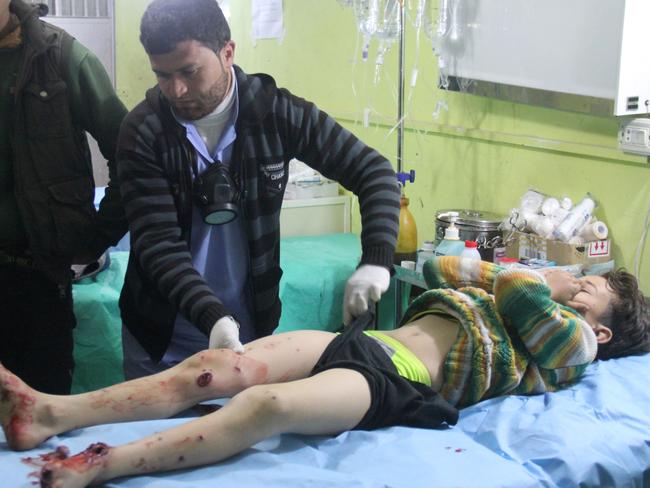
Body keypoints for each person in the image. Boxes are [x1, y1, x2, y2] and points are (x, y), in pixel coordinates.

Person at [2, 257, 649, 487]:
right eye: (579, 280)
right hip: (368, 341)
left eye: (588, 290)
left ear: (602, 330)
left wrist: (543, 278)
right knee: (218, 367)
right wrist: (522, 276)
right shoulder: (527, 297)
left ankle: (101, 465)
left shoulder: (573, 346)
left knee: (267, 408)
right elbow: (442, 269)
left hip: (399, 380)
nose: (575, 287)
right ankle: (53, 411)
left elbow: (517, 289)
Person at [116, 0, 400, 380]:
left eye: (189, 71)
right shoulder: (144, 131)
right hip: (161, 337)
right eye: (162, 75)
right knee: (150, 434)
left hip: (248, 332)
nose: (177, 90)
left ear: (228, 52)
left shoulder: (275, 114)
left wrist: (376, 259)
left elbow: (373, 170)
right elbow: (159, 246)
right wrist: (214, 319)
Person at [0, 0, 127, 394]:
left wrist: (95, 238)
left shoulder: (64, 58)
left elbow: (131, 157)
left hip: (36, 280)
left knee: (40, 415)